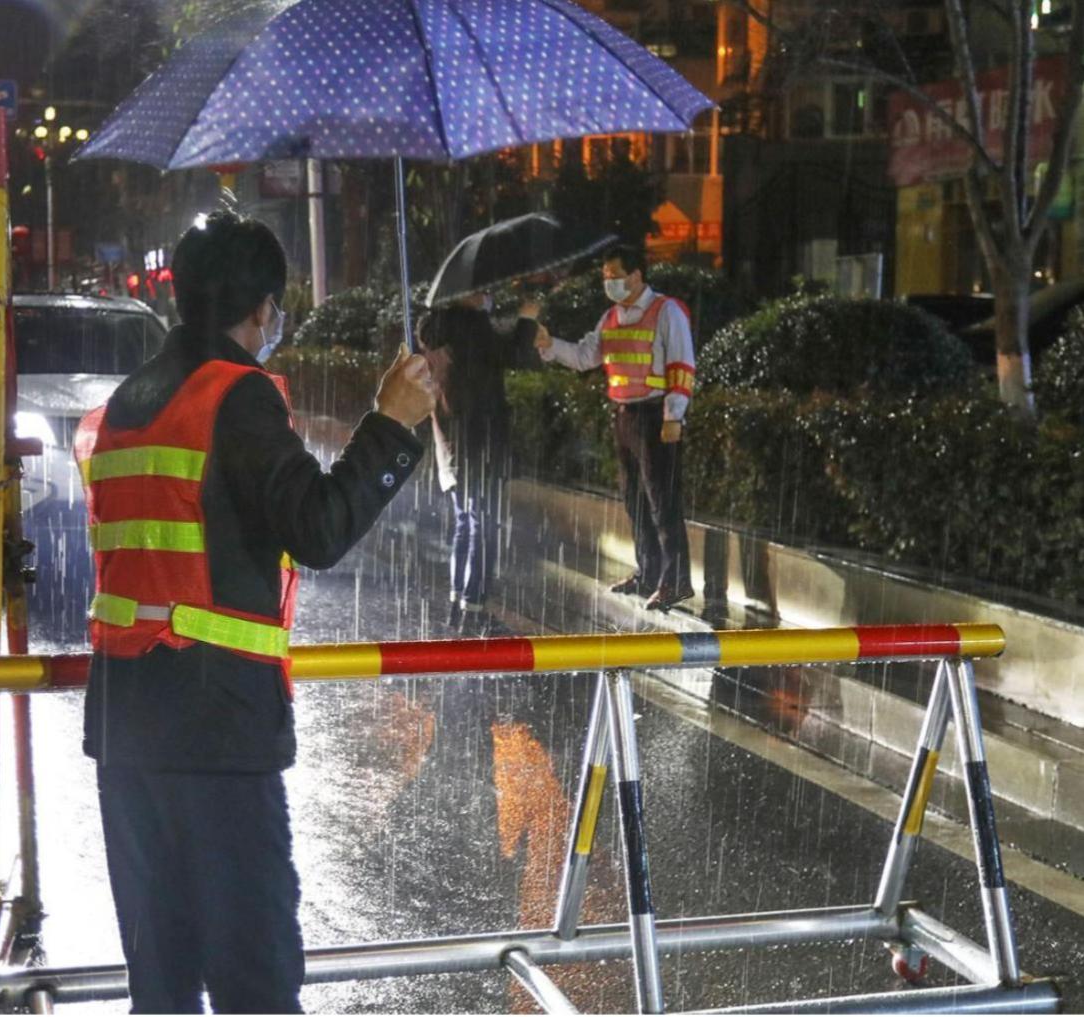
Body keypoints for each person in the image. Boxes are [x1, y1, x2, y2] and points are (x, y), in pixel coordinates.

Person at [73, 212, 435, 1014]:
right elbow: (317, 528)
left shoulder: (129, 401)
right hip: (217, 728)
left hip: (128, 727)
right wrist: (392, 423)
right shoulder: (232, 397)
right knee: (255, 978)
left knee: (161, 980)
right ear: (264, 311)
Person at [531, 244, 696, 610]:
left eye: (615, 277)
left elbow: (681, 366)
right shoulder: (610, 318)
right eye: (606, 278)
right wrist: (549, 344)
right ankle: (648, 573)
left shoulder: (665, 311)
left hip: (656, 416)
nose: (610, 284)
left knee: (662, 501)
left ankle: (676, 580)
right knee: (635, 501)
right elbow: (584, 357)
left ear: (637, 275)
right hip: (624, 416)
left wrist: (673, 416)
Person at [417, 291, 531, 632]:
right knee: (483, 526)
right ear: (464, 294)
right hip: (480, 440)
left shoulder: (437, 327)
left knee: (467, 523)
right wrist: (527, 319)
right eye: (482, 291)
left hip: (452, 441)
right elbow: (510, 354)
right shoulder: (469, 325)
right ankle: (475, 610)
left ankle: (459, 603)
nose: (489, 296)